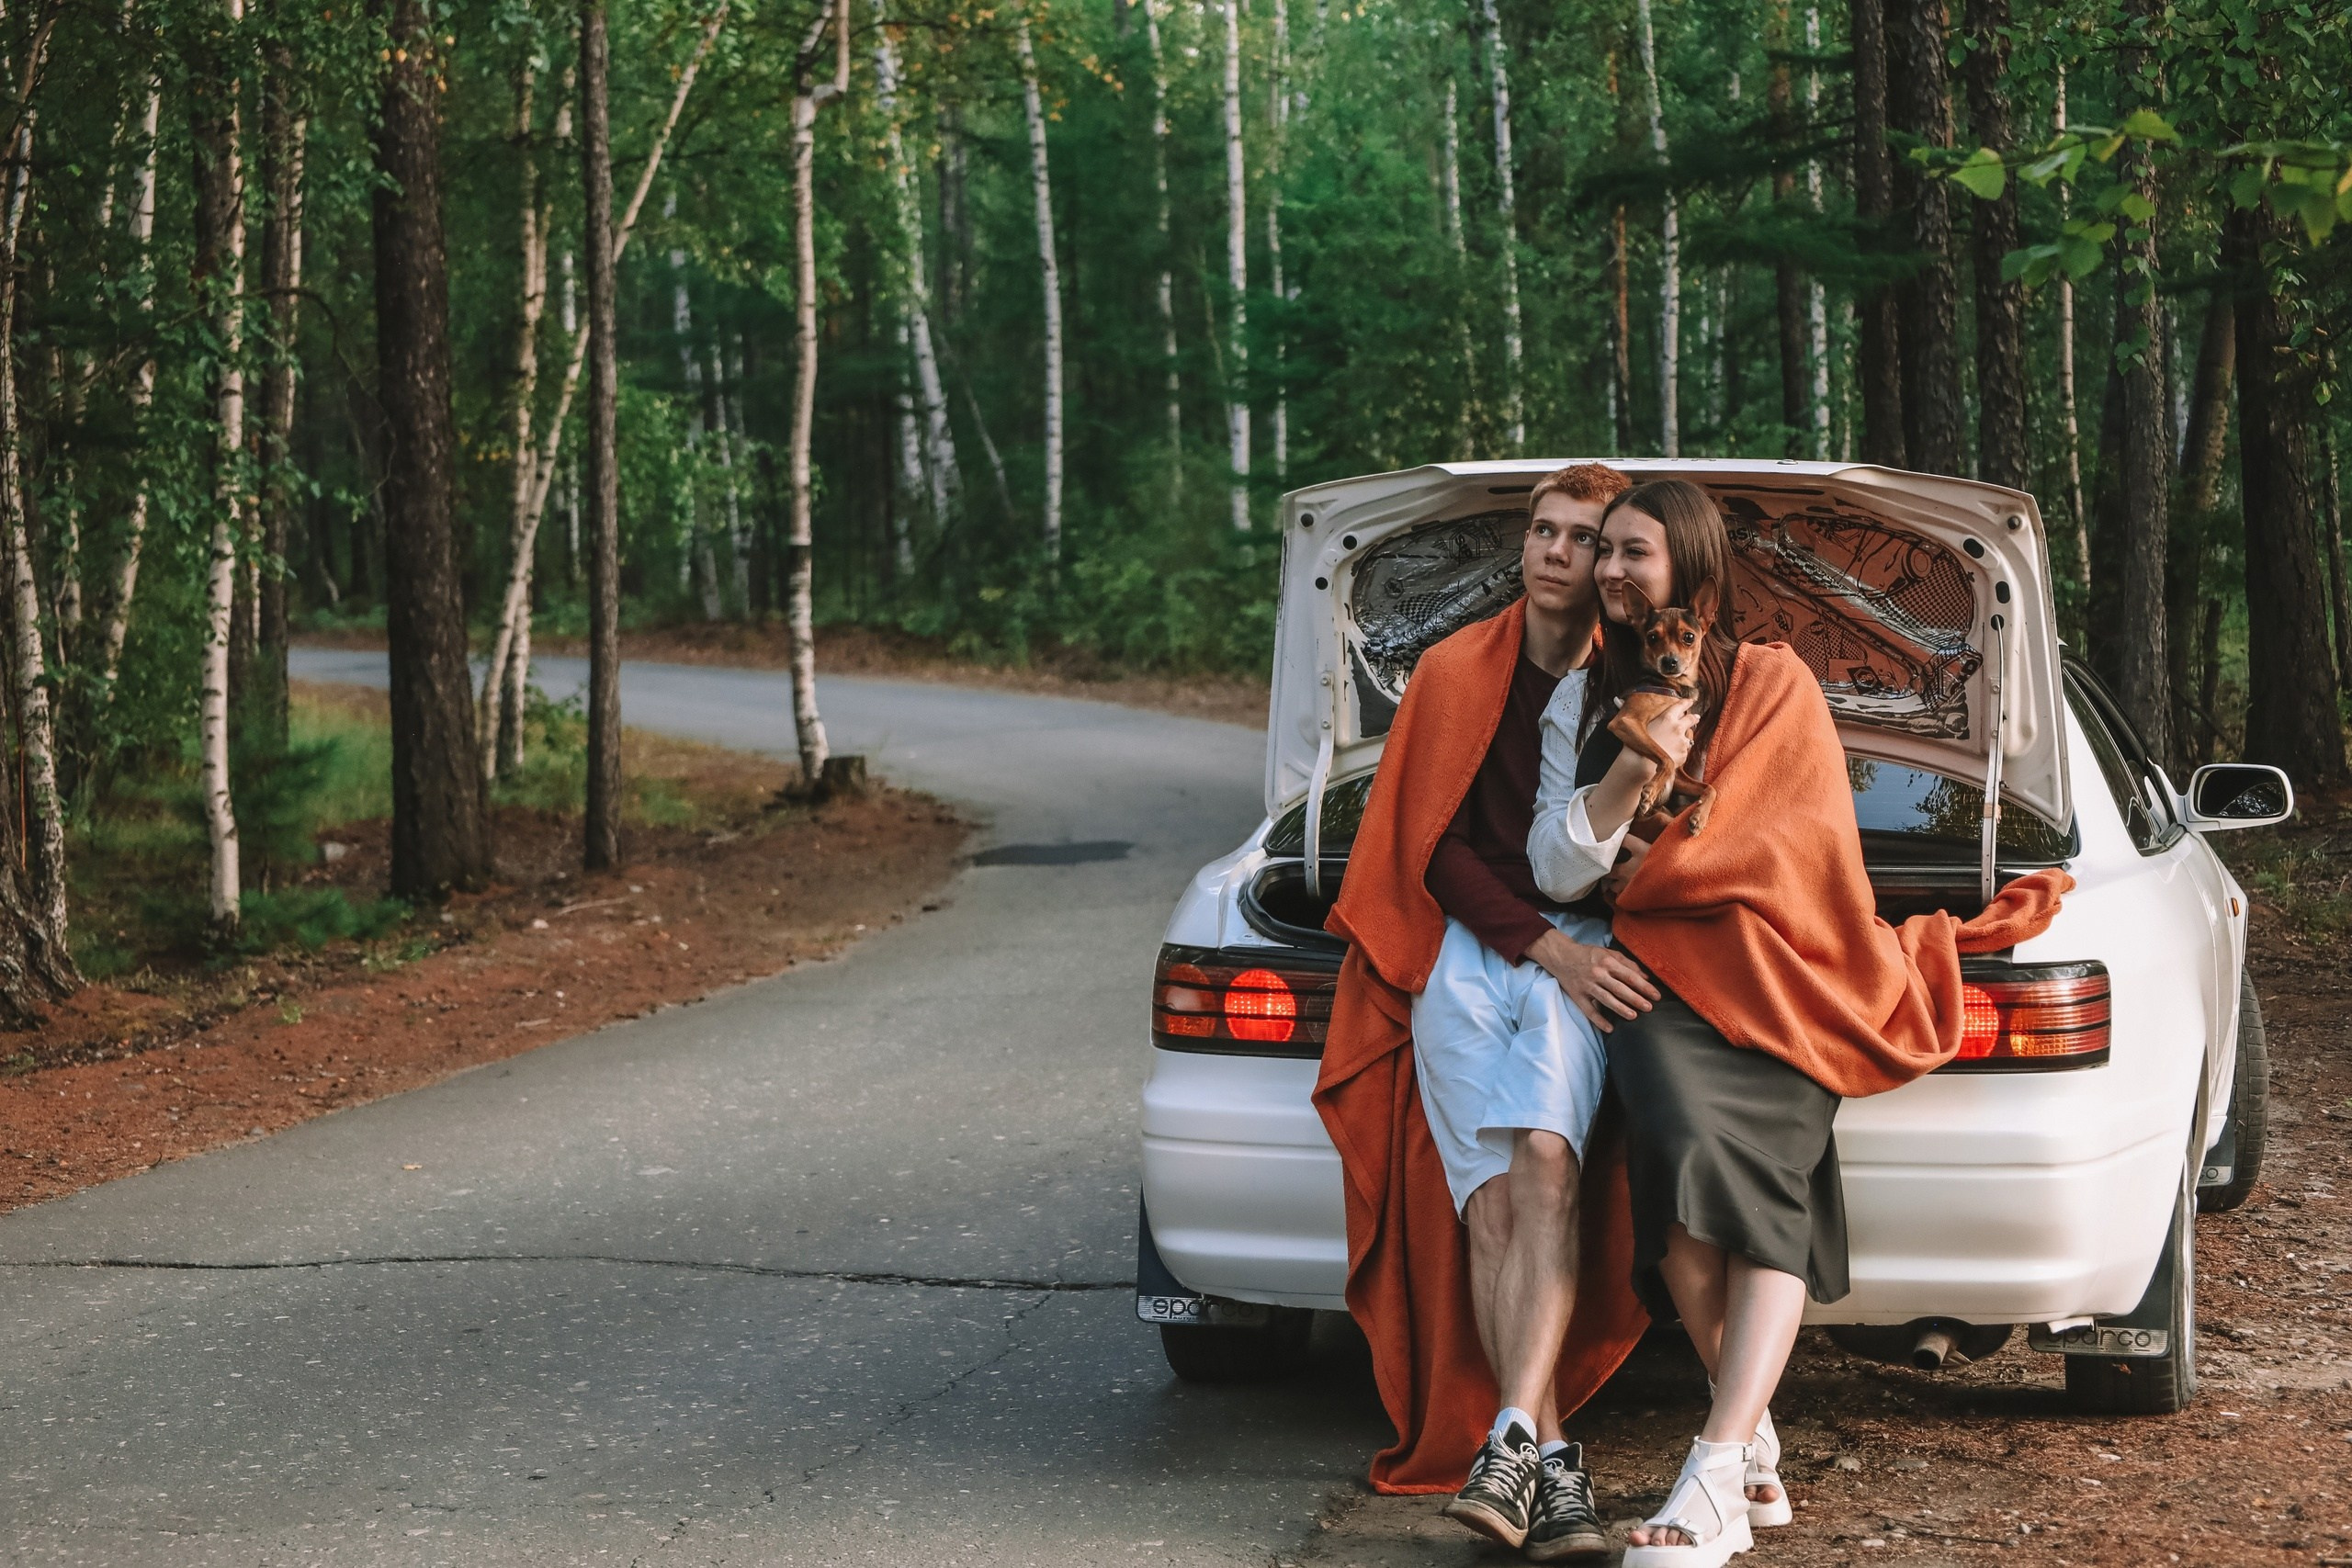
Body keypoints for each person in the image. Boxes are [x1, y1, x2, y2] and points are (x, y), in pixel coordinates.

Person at [1527, 479, 2072, 1568]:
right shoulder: (1580, 704)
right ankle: (1754, 1439)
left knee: (1762, 1192)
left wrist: (1658, 861)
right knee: (1678, 1189)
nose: (1615, 571)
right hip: (1666, 981)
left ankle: (1718, 1466)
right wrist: (1633, 774)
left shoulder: (1775, 682)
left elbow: (1797, 849)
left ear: (1689, 570)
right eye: (1607, 555)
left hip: (1791, 969)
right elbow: (1555, 864)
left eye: (1636, 552)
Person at [1315, 464, 1652, 1561]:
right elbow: (1436, 852)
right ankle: (1546, 1464)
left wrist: (1573, 945)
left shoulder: (1639, 679)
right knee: (1492, 1207)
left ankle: (1507, 1438)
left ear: (1612, 561)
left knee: (1547, 1162)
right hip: (1473, 956)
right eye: (1543, 533)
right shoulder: (1459, 669)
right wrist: (1540, 944)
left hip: (1588, 955)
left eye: (1583, 538)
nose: (1556, 553)